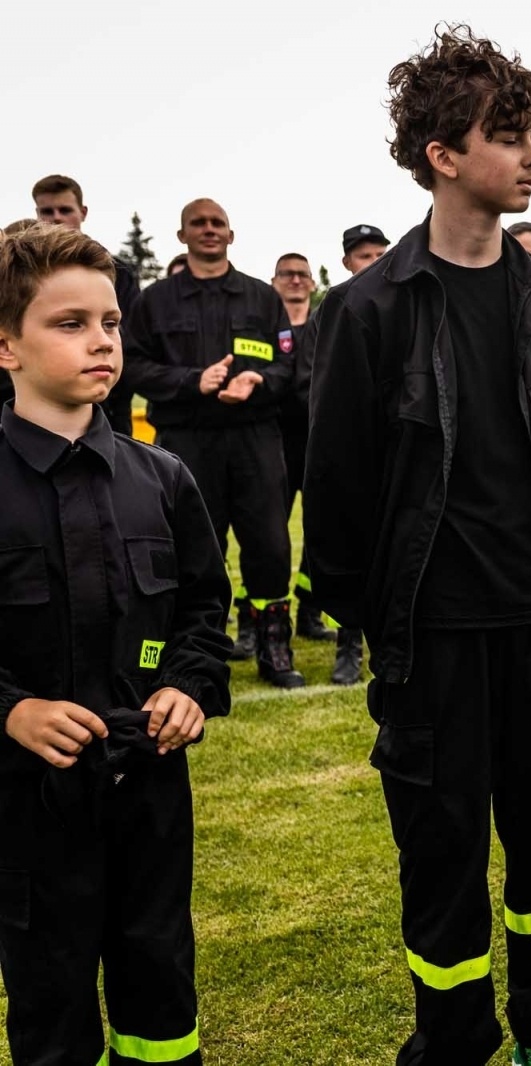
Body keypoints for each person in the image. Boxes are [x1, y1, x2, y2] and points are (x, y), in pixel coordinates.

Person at [303, 26, 531, 1065]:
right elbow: (335, 497)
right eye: (510, 136)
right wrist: (385, 619)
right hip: (432, 638)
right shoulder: (367, 309)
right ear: (443, 153)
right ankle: (452, 1042)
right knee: (441, 856)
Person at [0, 224, 231, 1066]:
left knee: (161, 987)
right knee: (50, 1003)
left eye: (110, 322)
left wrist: (189, 688)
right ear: (5, 346)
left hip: (150, 796)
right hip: (26, 809)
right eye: (69, 323)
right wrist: (13, 710)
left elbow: (205, 609)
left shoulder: (162, 478)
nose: (100, 340)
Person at [119, 198, 304, 688]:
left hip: (254, 437)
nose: (208, 230)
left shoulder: (262, 299)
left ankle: (273, 645)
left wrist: (258, 382)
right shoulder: (156, 302)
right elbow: (131, 364)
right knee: (192, 549)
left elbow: (288, 363)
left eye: (216, 222)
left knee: (268, 542)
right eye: (197, 223)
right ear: (181, 236)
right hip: (185, 442)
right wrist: (190, 381)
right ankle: (198, 652)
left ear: (231, 234)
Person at [291, 225, 390, 688]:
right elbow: (314, 381)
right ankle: (348, 645)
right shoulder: (333, 307)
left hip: (394, 447)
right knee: (348, 544)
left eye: (379, 253)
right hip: (348, 446)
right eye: (363, 255)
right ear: (348, 261)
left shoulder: (400, 302)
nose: (372, 261)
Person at [32, 175, 143, 435]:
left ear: (82, 212)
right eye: (47, 211)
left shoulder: (118, 272)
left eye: (65, 210)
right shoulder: (23, 275)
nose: (57, 218)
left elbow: (132, 341)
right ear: (37, 214)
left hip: (109, 411)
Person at [270, 252, 336, 644]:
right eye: (287, 274)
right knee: (270, 536)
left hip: (316, 445)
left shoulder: (325, 322)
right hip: (273, 446)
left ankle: (311, 610)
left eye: (302, 274)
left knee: (319, 533)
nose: (295, 280)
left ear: (312, 283)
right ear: (274, 281)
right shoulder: (264, 325)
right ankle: (255, 620)